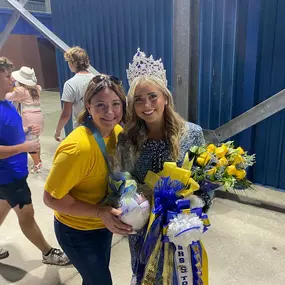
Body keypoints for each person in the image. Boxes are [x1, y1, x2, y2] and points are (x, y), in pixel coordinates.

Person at [118, 49, 206, 285]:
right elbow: (122, 179)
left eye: (152, 96)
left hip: (180, 226)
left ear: (165, 97)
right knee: (145, 274)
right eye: (138, 99)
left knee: (181, 276)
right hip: (143, 228)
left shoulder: (192, 134)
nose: (146, 105)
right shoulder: (127, 139)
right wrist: (130, 203)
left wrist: (190, 210)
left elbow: (205, 185)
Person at [43, 75, 132, 285]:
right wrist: (98, 212)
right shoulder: (77, 149)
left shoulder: (117, 132)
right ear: (88, 106)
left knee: (94, 279)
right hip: (77, 232)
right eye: (101, 105)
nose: (110, 112)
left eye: (115, 104)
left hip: (102, 224)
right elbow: (50, 199)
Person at [0, 57, 69, 265]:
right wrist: (25, 147)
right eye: (6, 75)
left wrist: (24, 132)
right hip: (9, 175)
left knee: (3, 206)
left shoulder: (6, 103)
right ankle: (47, 253)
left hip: (11, 174)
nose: (12, 79)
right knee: (27, 215)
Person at [54, 46, 98, 141]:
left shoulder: (70, 84)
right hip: (99, 126)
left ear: (72, 63)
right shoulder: (96, 79)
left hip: (81, 128)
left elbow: (66, 114)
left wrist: (57, 132)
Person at [6, 66, 44, 173]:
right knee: (36, 139)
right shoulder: (38, 88)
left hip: (28, 118)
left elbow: (8, 97)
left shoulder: (20, 90)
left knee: (29, 141)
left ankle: (37, 164)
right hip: (39, 116)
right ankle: (39, 160)